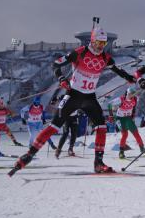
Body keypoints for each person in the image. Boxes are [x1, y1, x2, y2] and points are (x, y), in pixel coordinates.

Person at [10, 27, 136, 175]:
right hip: (73, 95)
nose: (101, 46)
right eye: (98, 43)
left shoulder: (105, 58)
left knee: (101, 126)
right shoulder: (80, 52)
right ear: (92, 40)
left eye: (103, 43)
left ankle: (98, 163)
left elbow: (118, 70)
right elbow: (56, 64)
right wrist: (61, 78)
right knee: (55, 126)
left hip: (90, 97)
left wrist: (131, 78)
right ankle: (28, 155)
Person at [108, 87, 145, 159]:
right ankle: (121, 152)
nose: (131, 96)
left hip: (128, 118)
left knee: (136, 133)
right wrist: (111, 115)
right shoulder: (121, 99)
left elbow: (134, 106)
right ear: (127, 93)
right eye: (130, 94)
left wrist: (133, 114)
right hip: (120, 119)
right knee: (125, 134)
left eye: (133, 94)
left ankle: (142, 148)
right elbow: (109, 104)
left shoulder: (135, 98)